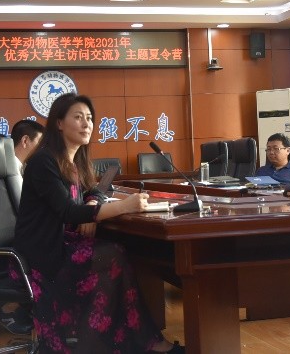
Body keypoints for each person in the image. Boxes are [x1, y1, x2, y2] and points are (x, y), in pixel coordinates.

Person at [13, 93, 184, 353]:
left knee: (117, 253)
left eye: (90, 118)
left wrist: (93, 203)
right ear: (59, 123)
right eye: (78, 117)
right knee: (113, 255)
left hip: (62, 243)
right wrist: (124, 206)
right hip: (42, 253)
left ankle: (134, 342)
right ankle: (127, 343)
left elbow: (93, 190)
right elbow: (68, 211)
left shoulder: (73, 161)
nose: (87, 124)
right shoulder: (43, 161)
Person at [0, 120, 46, 335]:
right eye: (39, 143)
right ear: (25, 141)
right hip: (10, 242)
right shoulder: (11, 171)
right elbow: (25, 211)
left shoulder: (17, 168)